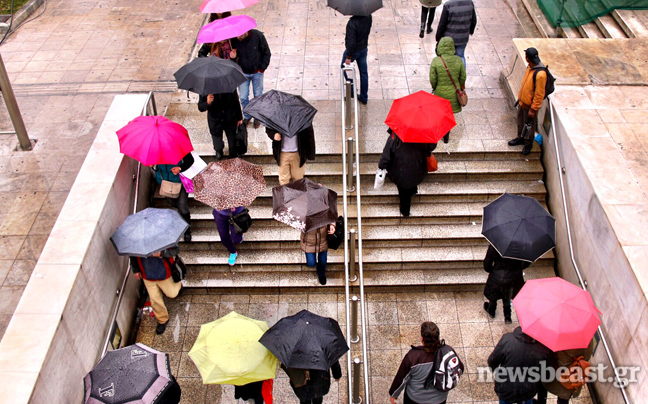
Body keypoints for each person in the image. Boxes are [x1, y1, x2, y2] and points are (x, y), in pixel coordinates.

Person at [487, 326, 554, 404]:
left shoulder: (507, 339)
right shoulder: (543, 348)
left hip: (506, 388)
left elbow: (492, 361)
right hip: (527, 391)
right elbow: (548, 375)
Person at [378, 128, 436, 217]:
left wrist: (381, 166)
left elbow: (386, 156)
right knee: (413, 179)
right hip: (418, 167)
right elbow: (431, 147)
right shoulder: (423, 133)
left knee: (403, 191)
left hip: (399, 170)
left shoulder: (394, 136)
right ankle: (413, 191)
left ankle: (405, 211)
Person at [389, 322, 448, 404]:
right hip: (439, 399)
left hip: (415, 399)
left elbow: (402, 378)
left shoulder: (413, 357)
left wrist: (394, 394)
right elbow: (459, 368)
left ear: (422, 339)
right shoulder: (447, 353)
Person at [131, 247, 183, 335]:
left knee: (172, 294)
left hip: (164, 272)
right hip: (147, 274)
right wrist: (136, 269)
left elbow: (175, 250)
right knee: (154, 299)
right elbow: (132, 254)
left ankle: (178, 285)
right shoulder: (136, 241)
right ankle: (162, 319)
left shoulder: (162, 234)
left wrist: (161, 253)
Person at [508, 47, 546, 155]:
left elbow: (539, 94)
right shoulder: (530, 67)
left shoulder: (540, 75)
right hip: (522, 102)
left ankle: (528, 144)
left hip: (530, 106)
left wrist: (533, 109)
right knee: (520, 121)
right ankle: (520, 138)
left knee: (529, 125)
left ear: (527, 58)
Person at [231, 29, 272, 128]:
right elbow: (233, 58)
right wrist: (233, 57)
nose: (238, 38)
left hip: (257, 72)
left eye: (240, 35)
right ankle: (247, 115)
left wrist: (262, 68)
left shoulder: (257, 36)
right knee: (243, 97)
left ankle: (257, 116)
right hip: (243, 73)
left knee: (258, 96)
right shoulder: (234, 40)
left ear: (246, 31)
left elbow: (266, 52)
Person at [429, 36, 466, 143]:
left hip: (440, 92)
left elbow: (433, 78)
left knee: (440, 113)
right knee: (449, 114)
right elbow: (463, 77)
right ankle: (446, 134)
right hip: (454, 93)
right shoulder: (458, 60)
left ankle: (440, 131)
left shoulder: (436, 61)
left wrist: (435, 87)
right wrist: (458, 85)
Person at [536, 339, 595, 404]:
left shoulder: (562, 343)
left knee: (543, 388)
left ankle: (541, 401)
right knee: (564, 398)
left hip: (558, 376)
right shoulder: (587, 340)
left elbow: (554, 358)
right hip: (573, 378)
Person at [482, 244, 530, 324]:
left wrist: (493, 271)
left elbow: (487, 264)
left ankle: (491, 310)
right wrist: (518, 268)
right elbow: (527, 263)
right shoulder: (523, 246)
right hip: (514, 277)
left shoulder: (495, 245)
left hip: (497, 276)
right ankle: (507, 317)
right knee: (507, 294)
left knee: (494, 295)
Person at [155, 153, 194, 242]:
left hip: (179, 182)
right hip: (164, 182)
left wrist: (180, 168)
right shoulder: (155, 149)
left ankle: (187, 230)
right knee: (172, 202)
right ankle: (182, 214)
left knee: (183, 208)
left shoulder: (177, 147)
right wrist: (152, 166)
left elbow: (190, 160)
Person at [198, 90, 243, 160]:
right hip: (215, 121)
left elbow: (236, 101)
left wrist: (239, 118)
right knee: (218, 146)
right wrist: (207, 103)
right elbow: (200, 107)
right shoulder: (205, 89)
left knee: (233, 143)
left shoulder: (229, 84)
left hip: (229, 118)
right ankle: (219, 150)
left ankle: (232, 156)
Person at [341, 15, 372, 105]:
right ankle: (364, 97)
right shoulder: (368, 16)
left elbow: (351, 43)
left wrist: (348, 57)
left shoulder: (352, 23)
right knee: (364, 73)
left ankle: (351, 90)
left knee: (344, 68)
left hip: (353, 52)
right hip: (363, 48)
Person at [435, 0, 477, 66]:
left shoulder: (448, 5)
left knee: (447, 58)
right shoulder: (469, 3)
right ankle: (462, 74)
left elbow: (442, 24)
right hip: (463, 37)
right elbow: (474, 20)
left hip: (449, 38)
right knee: (460, 56)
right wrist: (471, 31)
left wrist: (438, 38)